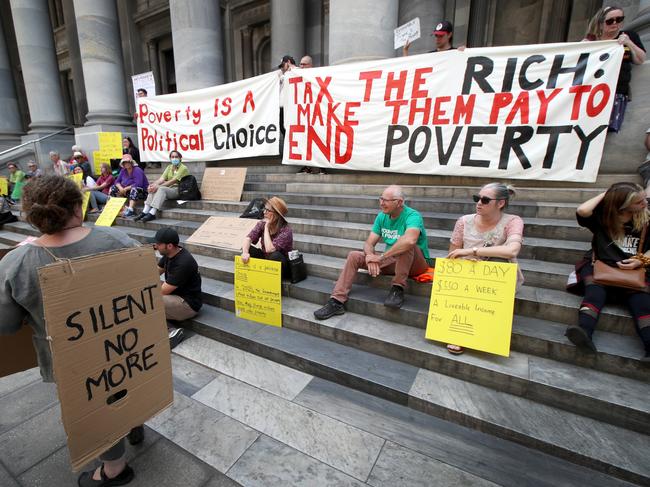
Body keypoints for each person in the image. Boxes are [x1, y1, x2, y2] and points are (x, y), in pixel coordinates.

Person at [0, 175, 139, 486]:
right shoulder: (118, 241)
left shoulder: (15, 263)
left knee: (95, 408)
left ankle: (114, 469)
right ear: (78, 206)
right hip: (125, 345)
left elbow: (6, 326)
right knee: (124, 384)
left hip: (70, 359)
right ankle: (132, 420)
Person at [314, 185, 430, 319]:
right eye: (380, 199)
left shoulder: (412, 215)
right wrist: (370, 257)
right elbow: (369, 243)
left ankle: (397, 288)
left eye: (386, 200)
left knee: (405, 246)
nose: (381, 203)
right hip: (393, 261)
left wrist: (380, 258)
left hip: (417, 263)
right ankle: (337, 301)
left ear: (399, 202)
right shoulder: (382, 217)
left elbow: (410, 240)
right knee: (354, 256)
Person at [565, 183, 650, 361]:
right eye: (638, 201)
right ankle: (584, 333)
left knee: (642, 302)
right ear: (622, 204)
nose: (644, 202)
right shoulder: (602, 218)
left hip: (634, 271)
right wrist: (608, 193)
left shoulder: (647, 218)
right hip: (601, 267)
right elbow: (582, 210)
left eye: (643, 198)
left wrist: (641, 260)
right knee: (594, 294)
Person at [446, 183, 524, 354]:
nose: (479, 203)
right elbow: (453, 255)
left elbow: (512, 250)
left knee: (498, 260)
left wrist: (473, 251)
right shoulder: (464, 221)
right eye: (477, 198)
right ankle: (460, 330)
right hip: (467, 274)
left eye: (485, 200)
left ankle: (479, 331)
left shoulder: (512, 221)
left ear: (501, 203)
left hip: (495, 275)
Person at [584, 6, 646, 132]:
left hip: (616, 92)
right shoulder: (592, 40)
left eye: (619, 19)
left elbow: (640, 59)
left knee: (605, 131)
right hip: (592, 93)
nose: (615, 23)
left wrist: (629, 43)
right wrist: (583, 47)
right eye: (610, 21)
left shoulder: (629, 36)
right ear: (600, 24)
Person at [148, 228, 202, 349]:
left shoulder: (183, 262)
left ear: (170, 245)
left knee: (150, 300)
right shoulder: (170, 253)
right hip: (175, 295)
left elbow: (162, 291)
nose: (155, 246)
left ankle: (171, 332)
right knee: (147, 294)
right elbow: (154, 273)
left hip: (188, 304)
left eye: (158, 244)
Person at [241, 197, 293, 274]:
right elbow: (248, 239)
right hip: (266, 260)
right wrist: (245, 253)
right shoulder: (262, 224)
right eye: (264, 209)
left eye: (268, 210)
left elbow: (270, 249)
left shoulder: (286, 230)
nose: (264, 212)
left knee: (275, 255)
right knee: (247, 249)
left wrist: (266, 228)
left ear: (277, 214)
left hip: (281, 265)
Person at [135, 150, 188, 223]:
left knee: (161, 189)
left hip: (178, 190)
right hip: (168, 189)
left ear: (180, 158)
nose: (174, 159)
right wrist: (153, 185)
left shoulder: (183, 168)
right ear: (170, 158)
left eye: (176, 157)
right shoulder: (169, 167)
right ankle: (145, 211)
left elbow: (173, 181)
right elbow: (161, 179)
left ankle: (152, 213)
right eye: (172, 157)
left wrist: (158, 186)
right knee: (154, 188)